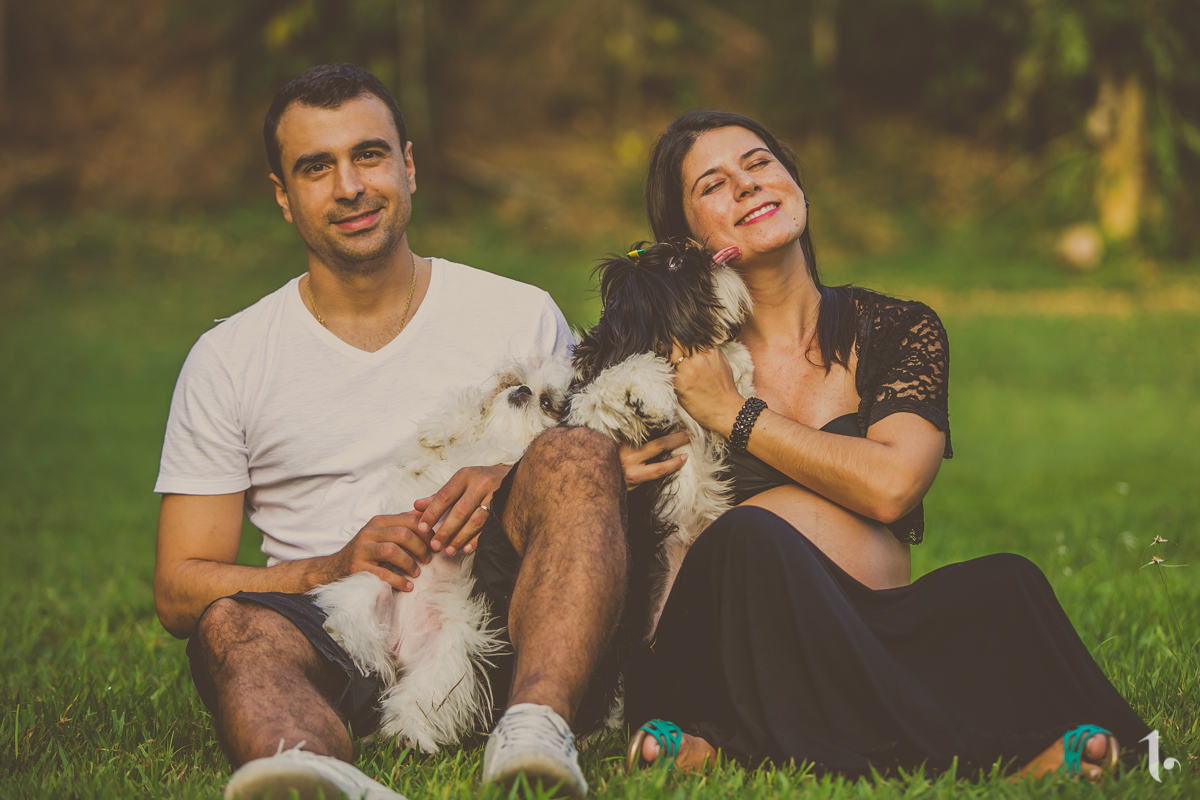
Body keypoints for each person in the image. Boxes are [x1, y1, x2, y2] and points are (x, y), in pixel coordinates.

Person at [153, 64, 657, 800]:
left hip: (497, 616)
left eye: (369, 155)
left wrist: (511, 477)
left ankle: (535, 729)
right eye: (316, 167)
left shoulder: (515, 311)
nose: (350, 186)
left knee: (576, 450)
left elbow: (598, 472)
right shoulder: (229, 358)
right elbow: (179, 589)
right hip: (334, 624)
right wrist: (328, 567)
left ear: (408, 166)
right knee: (230, 625)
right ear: (283, 196)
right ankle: (315, 771)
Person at [620, 110, 1152, 782]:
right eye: (714, 185)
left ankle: (745, 750)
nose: (747, 185)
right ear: (686, 240)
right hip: (733, 644)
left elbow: (892, 485)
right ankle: (989, 759)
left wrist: (735, 414)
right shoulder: (675, 356)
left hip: (875, 629)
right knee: (749, 537)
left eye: (759, 164)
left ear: (796, 185)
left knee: (1006, 582)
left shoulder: (899, 328)